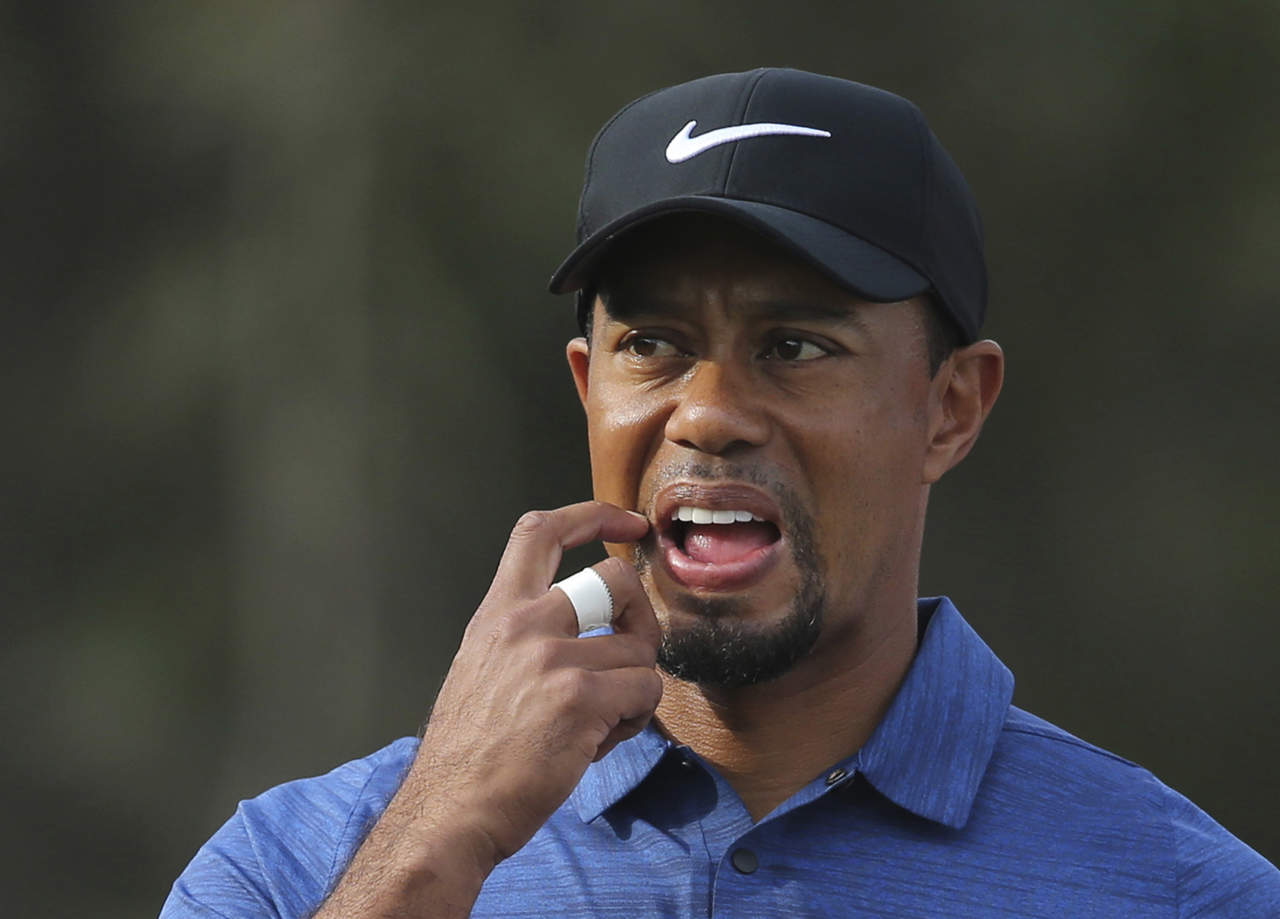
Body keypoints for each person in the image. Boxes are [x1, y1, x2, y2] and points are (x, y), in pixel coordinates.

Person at [161, 68, 1279, 918]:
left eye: (794, 345)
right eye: (653, 342)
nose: (707, 412)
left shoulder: (1182, 890)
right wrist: (433, 849)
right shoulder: (294, 866)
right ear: (588, 389)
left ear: (949, 409)